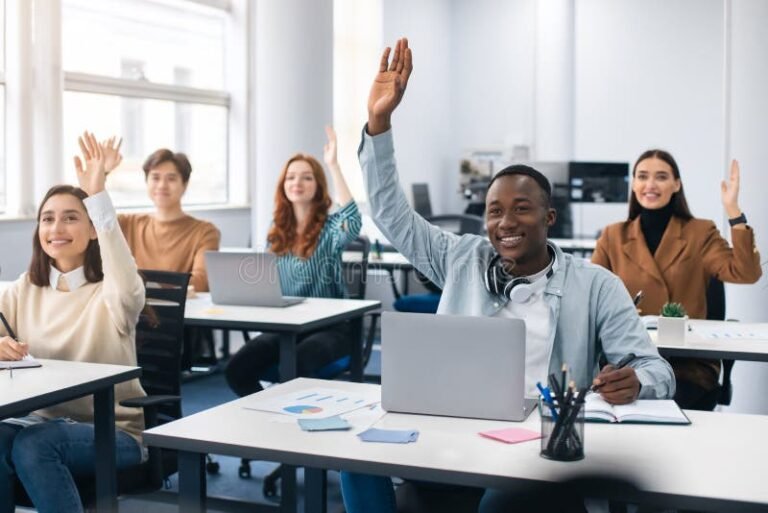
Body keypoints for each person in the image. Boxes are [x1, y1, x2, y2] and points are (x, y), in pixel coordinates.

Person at [340, 38, 675, 513]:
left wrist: (637, 383)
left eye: (522, 209)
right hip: (453, 429)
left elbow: (656, 368)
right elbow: (392, 214)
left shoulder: (596, 284)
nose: (506, 223)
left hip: (536, 448)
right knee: (355, 462)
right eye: (495, 211)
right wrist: (379, 122)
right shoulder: (462, 259)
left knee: (500, 503)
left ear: (549, 218)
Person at [0, 133, 146, 513]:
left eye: (70, 218)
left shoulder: (114, 293)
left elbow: (123, 269)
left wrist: (97, 195)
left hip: (112, 432)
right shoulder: (22, 290)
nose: (56, 228)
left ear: (93, 229)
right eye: (47, 219)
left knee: (35, 446)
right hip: (34, 421)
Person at [592, 150, 762, 410]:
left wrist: (734, 212)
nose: (650, 185)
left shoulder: (700, 232)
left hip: (688, 366)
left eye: (661, 177)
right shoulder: (612, 236)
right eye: (642, 176)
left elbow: (746, 273)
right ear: (634, 184)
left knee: (664, 404)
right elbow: (591, 299)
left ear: (676, 185)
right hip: (627, 362)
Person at [225, 126, 362, 396]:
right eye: (291, 177)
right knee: (236, 369)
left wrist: (333, 165)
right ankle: (271, 418)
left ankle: (299, 424)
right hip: (288, 327)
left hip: (331, 327)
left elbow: (353, 220)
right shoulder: (277, 229)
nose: (297, 183)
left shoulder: (331, 228)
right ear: (283, 185)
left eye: (307, 177)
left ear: (318, 185)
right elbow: (266, 281)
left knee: (297, 363)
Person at [100, 138, 221, 293]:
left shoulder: (205, 231)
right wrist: (101, 174)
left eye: (171, 178)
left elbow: (200, 283)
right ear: (146, 182)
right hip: (133, 312)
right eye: (155, 177)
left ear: (184, 184)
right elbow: (87, 219)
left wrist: (138, 283)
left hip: (178, 314)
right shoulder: (128, 223)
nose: (162, 185)